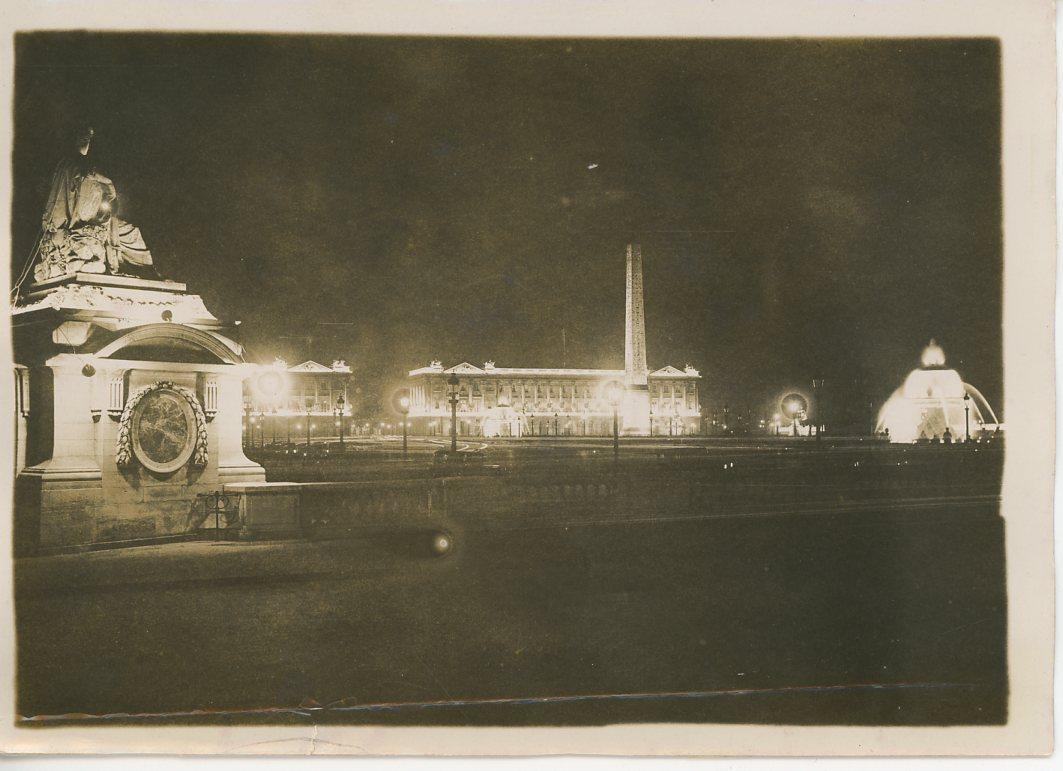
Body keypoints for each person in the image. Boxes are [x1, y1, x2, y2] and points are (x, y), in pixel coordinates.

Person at [35, 126, 155, 281]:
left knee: (131, 231)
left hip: (97, 220)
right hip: (83, 223)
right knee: (129, 232)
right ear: (74, 140)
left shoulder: (78, 163)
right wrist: (108, 183)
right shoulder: (71, 164)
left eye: (88, 140)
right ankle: (143, 269)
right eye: (84, 139)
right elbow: (85, 179)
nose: (87, 143)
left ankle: (146, 271)